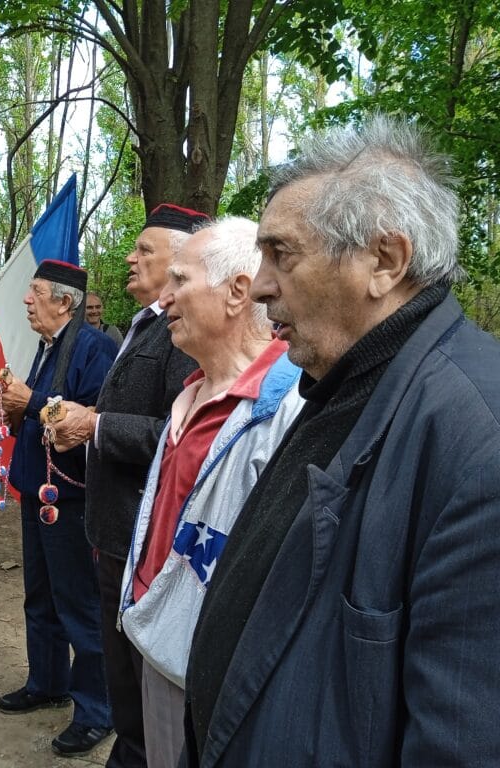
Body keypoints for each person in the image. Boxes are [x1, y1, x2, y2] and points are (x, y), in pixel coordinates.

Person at [183, 117, 500, 767]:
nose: (262, 284)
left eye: (282, 254)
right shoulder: (344, 378)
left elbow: (460, 745)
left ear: (384, 261)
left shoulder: (477, 442)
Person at [115, 218, 303, 768]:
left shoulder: (289, 407)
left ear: (238, 292)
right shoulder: (190, 391)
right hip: (156, 635)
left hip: (217, 661)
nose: (165, 297)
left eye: (180, 279)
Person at [50, 204, 205, 768]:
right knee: (121, 668)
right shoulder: (145, 323)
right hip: (114, 527)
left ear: (185, 260)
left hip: (148, 536)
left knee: (144, 676)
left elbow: (184, 433)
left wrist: (97, 425)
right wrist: (86, 423)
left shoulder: (183, 333)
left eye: (144, 250)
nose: (129, 257)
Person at [0, 260, 118, 758]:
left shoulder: (95, 347)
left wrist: (34, 400)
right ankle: (47, 681)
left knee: (79, 604)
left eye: (36, 291)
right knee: (40, 595)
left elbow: (89, 419)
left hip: (68, 497)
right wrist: (15, 404)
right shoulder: (48, 346)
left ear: (64, 302)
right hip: (37, 490)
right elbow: (44, 407)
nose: (27, 299)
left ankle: (96, 711)